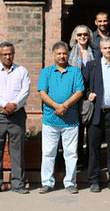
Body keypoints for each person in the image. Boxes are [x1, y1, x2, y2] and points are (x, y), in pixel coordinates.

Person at [37, 41, 84, 194]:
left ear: (68, 54)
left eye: (65, 53)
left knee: (71, 153)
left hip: (71, 120)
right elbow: (42, 93)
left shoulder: (75, 72)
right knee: (48, 152)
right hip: (51, 119)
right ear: (53, 55)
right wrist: (57, 106)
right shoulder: (46, 72)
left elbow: (79, 92)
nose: (62, 56)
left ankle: (70, 182)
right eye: (59, 53)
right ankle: (47, 182)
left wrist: (64, 105)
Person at [0, 41, 31, 195]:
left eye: (10, 53)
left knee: (17, 152)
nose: (7, 57)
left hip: (16, 116)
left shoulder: (22, 71)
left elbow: (25, 91)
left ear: (14, 54)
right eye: (4, 54)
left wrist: (14, 105)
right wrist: (5, 104)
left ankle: (17, 183)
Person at [82, 37, 110, 193]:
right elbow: (83, 86)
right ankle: (94, 179)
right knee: (93, 147)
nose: (108, 50)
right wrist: (88, 95)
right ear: (100, 50)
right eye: (105, 48)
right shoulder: (91, 66)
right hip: (96, 112)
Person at [67, 24, 96, 170]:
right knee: (76, 132)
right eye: (79, 35)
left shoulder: (95, 54)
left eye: (85, 34)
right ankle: (78, 161)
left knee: (91, 133)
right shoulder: (69, 55)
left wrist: (92, 92)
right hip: (74, 99)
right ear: (75, 37)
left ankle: (90, 162)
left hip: (91, 98)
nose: (82, 37)